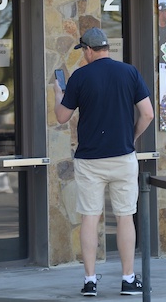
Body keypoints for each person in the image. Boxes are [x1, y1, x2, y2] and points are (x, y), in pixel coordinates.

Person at [53, 28, 154, 297]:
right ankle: (128, 279)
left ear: (87, 50)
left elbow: (62, 116)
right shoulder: (129, 72)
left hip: (90, 160)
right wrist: (131, 136)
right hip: (123, 157)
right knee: (124, 217)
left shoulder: (80, 76)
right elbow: (148, 114)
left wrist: (57, 94)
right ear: (106, 48)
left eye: (83, 51)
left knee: (90, 218)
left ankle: (89, 281)